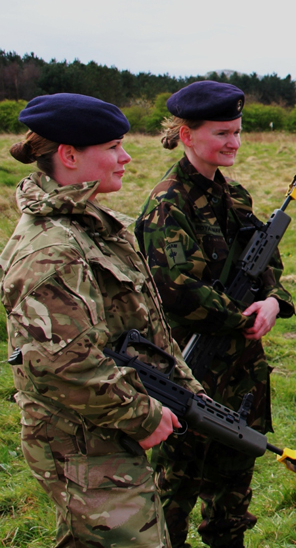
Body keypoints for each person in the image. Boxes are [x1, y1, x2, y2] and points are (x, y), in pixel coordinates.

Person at [0, 93, 204, 547]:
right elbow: (61, 364)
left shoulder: (90, 222)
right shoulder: (53, 249)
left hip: (101, 426)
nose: (126, 156)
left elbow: (141, 325)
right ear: (69, 156)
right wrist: (143, 415)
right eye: (113, 146)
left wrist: (184, 389)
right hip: (80, 440)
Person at [135, 81, 295, 548]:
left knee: (233, 491)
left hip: (241, 372)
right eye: (222, 133)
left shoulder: (237, 196)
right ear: (186, 135)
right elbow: (176, 290)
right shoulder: (167, 205)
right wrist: (241, 317)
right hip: (189, 370)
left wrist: (273, 301)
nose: (234, 143)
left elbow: (267, 264)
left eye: (239, 132)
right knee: (174, 493)